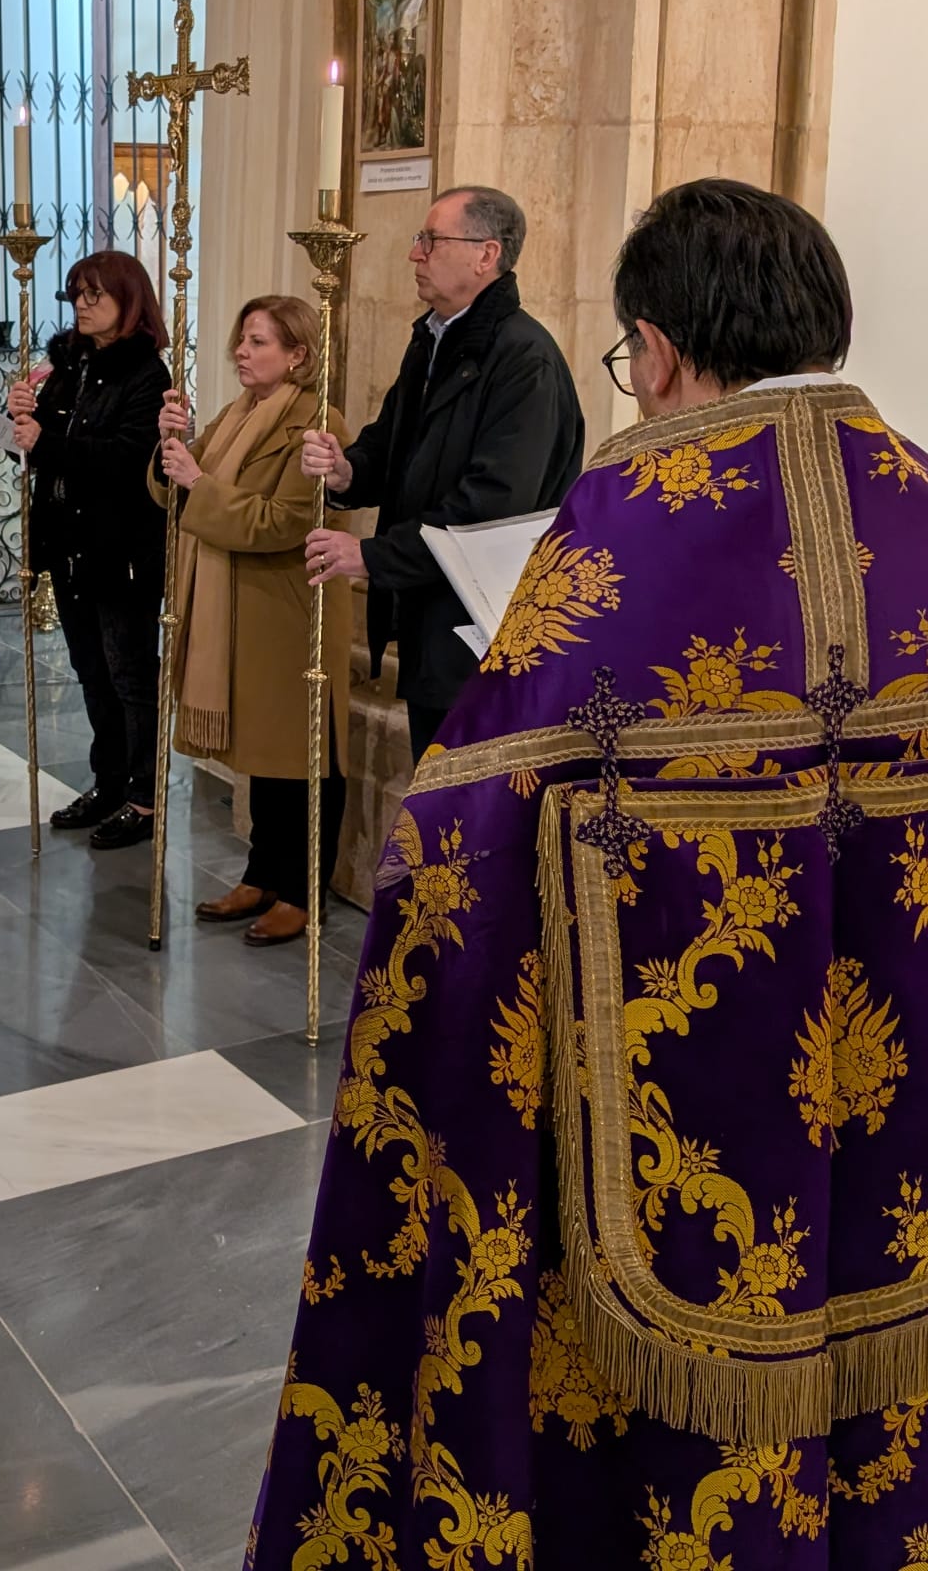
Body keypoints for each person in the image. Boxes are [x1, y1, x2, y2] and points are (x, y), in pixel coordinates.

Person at [246, 179, 928, 1567]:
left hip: (672, 1133)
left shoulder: (634, 510)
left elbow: (463, 834)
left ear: (657, 350)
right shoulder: (918, 493)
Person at [303, 184, 584, 762]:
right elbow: (394, 442)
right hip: (432, 618)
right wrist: (348, 472)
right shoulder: (435, 337)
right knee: (433, 787)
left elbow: (491, 506)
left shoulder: (524, 359)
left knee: (464, 793)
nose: (415, 254)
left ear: (487, 255)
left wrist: (374, 557)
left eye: (430, 240)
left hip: (482, 631)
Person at [154, 297, 352, 945]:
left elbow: (285, 522)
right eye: (242, 339)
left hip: (291, 612)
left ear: (298, 354)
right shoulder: (238, 413)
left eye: (259, 341)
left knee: (304, 760)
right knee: (263, 756)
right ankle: (262, 874)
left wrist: (198, 482)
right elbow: (172, 489)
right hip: (245, 609)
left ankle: (302, 891)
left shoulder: (316, 424)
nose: (242, 351)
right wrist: (169, 446)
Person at [9, 250, 169, 850]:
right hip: (70, 544)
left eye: (95, 294)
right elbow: (37, 445)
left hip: (120, 549)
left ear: (129, 301)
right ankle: (109, 782)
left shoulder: (147, 376)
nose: (81, 304)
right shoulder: (70, 366)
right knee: (92, 672)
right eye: (76, 293)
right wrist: (17, 419)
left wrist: (45, 441)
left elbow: (128, 459)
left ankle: (144, 796)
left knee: (130, 675)